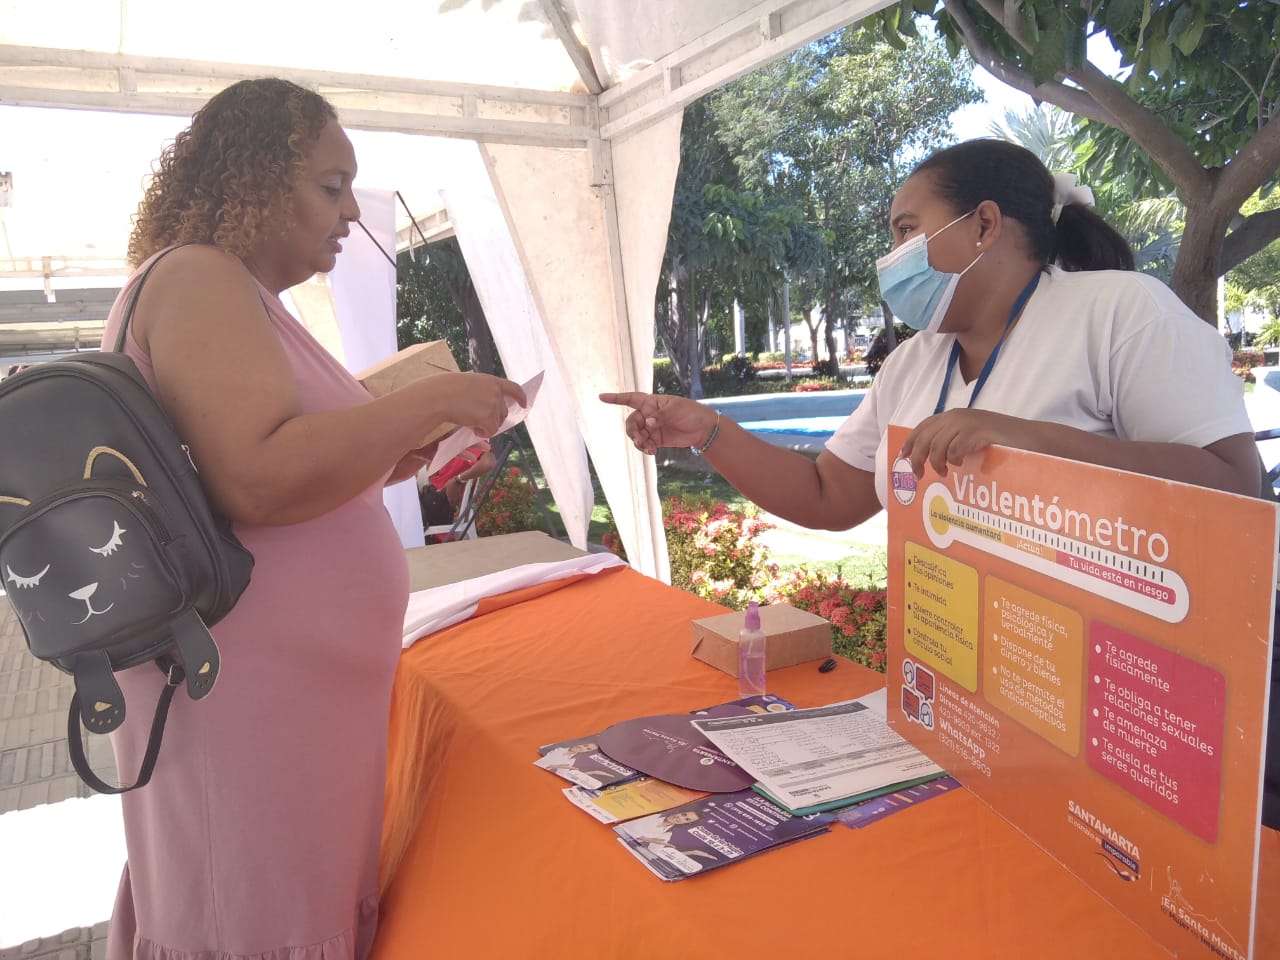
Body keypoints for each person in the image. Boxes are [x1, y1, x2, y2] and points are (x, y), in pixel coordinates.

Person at [601, 138, 1277, 828]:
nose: (890, 258)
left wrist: (1029, 440)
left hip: (1116, 712)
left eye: (905, 230)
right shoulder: (913, 364)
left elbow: (1232, 484)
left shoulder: (1119, 311)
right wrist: (711, 430)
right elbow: (827, 495)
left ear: (984, 225)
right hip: (973, 709)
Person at [100, 78, 526, 960]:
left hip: (257, 688)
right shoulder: (201, 276)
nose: (347, 215)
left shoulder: (230, 292)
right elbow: (257, 477)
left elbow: (260, 476)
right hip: (242, 692)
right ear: (254, 181)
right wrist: (433, 400)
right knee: (243, 921)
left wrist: (380, 458)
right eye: (329, 188)